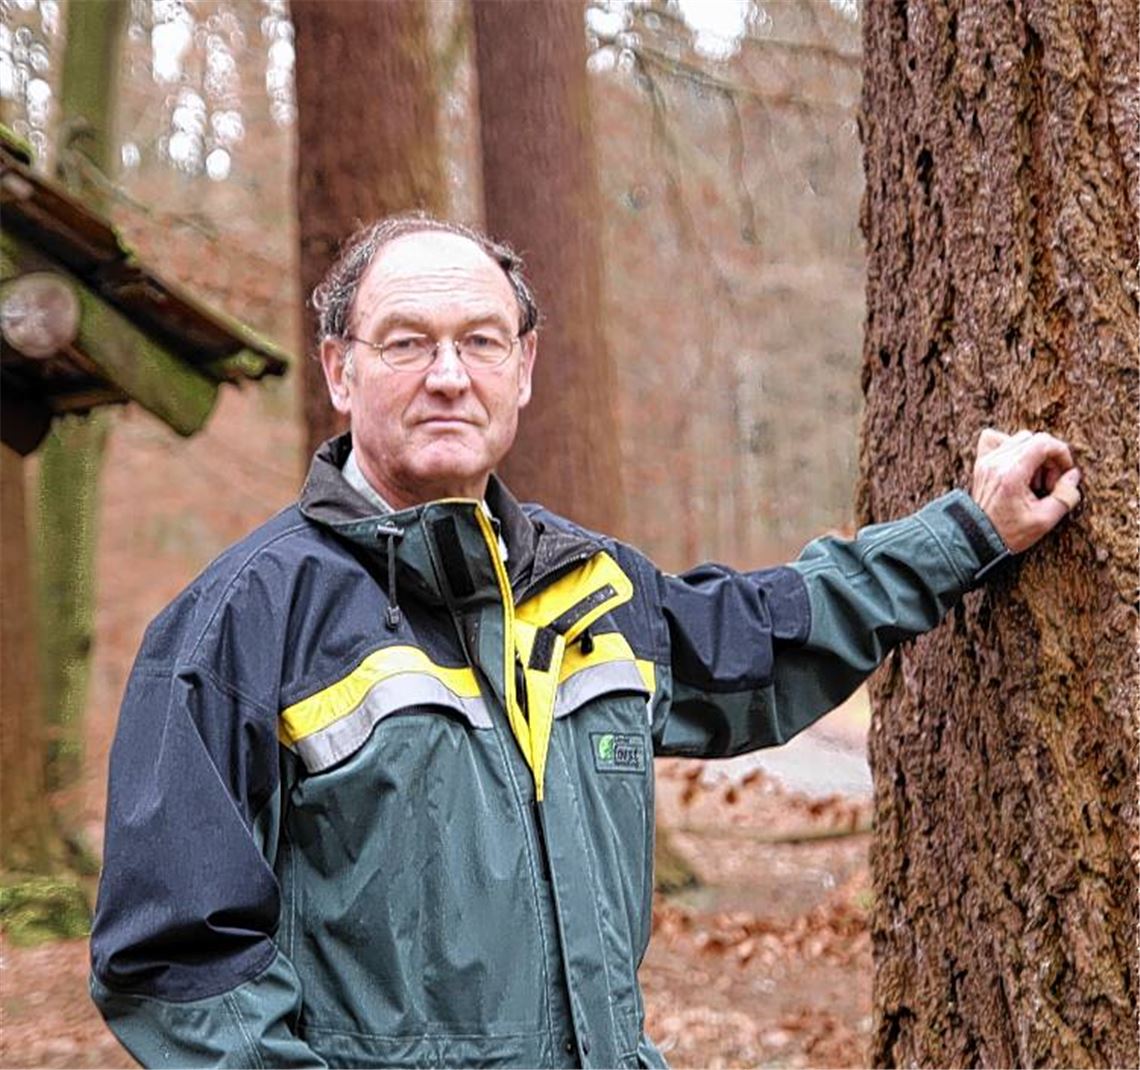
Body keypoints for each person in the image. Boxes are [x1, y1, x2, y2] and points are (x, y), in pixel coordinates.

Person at [90, 214, 1081, 1069]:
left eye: (480, 341)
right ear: (340, 370)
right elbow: (173, 959)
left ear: (523, 369)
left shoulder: (585, 587)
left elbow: (769, 638)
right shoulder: (241, 620)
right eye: (405, 343)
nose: (447, 375)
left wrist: (967, 533)